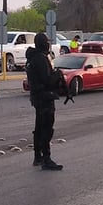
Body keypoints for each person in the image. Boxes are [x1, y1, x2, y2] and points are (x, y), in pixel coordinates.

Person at [25, 33, 64, 170]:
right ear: (42, 43)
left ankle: (38, 156)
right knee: (46, 128)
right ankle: (46, 159)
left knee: (39, 128)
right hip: (44, 97)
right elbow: (47, 80)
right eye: (46, 41)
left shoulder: (32, 58)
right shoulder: (40, 59)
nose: (48, 44)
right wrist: (57, 75)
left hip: (37, 97)